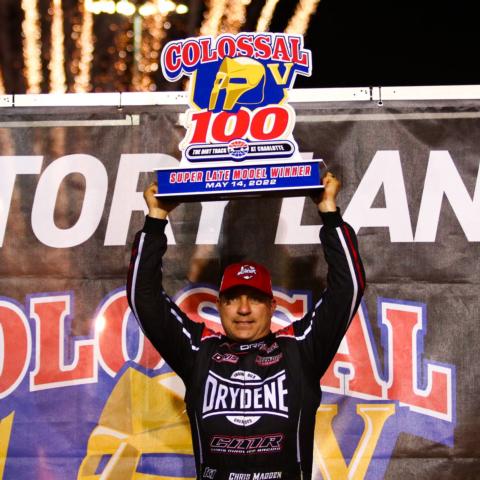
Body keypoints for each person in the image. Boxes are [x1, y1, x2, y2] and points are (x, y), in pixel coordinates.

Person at [127, 172, 365, 480]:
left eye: (253, 299)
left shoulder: (299, 349)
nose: (242, 309)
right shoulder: (200, 352)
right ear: (220, 306)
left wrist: (329, 212)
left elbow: (348, 288)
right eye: (232, 299)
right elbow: (143, 297)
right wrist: (157, 217)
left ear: (271, 306)